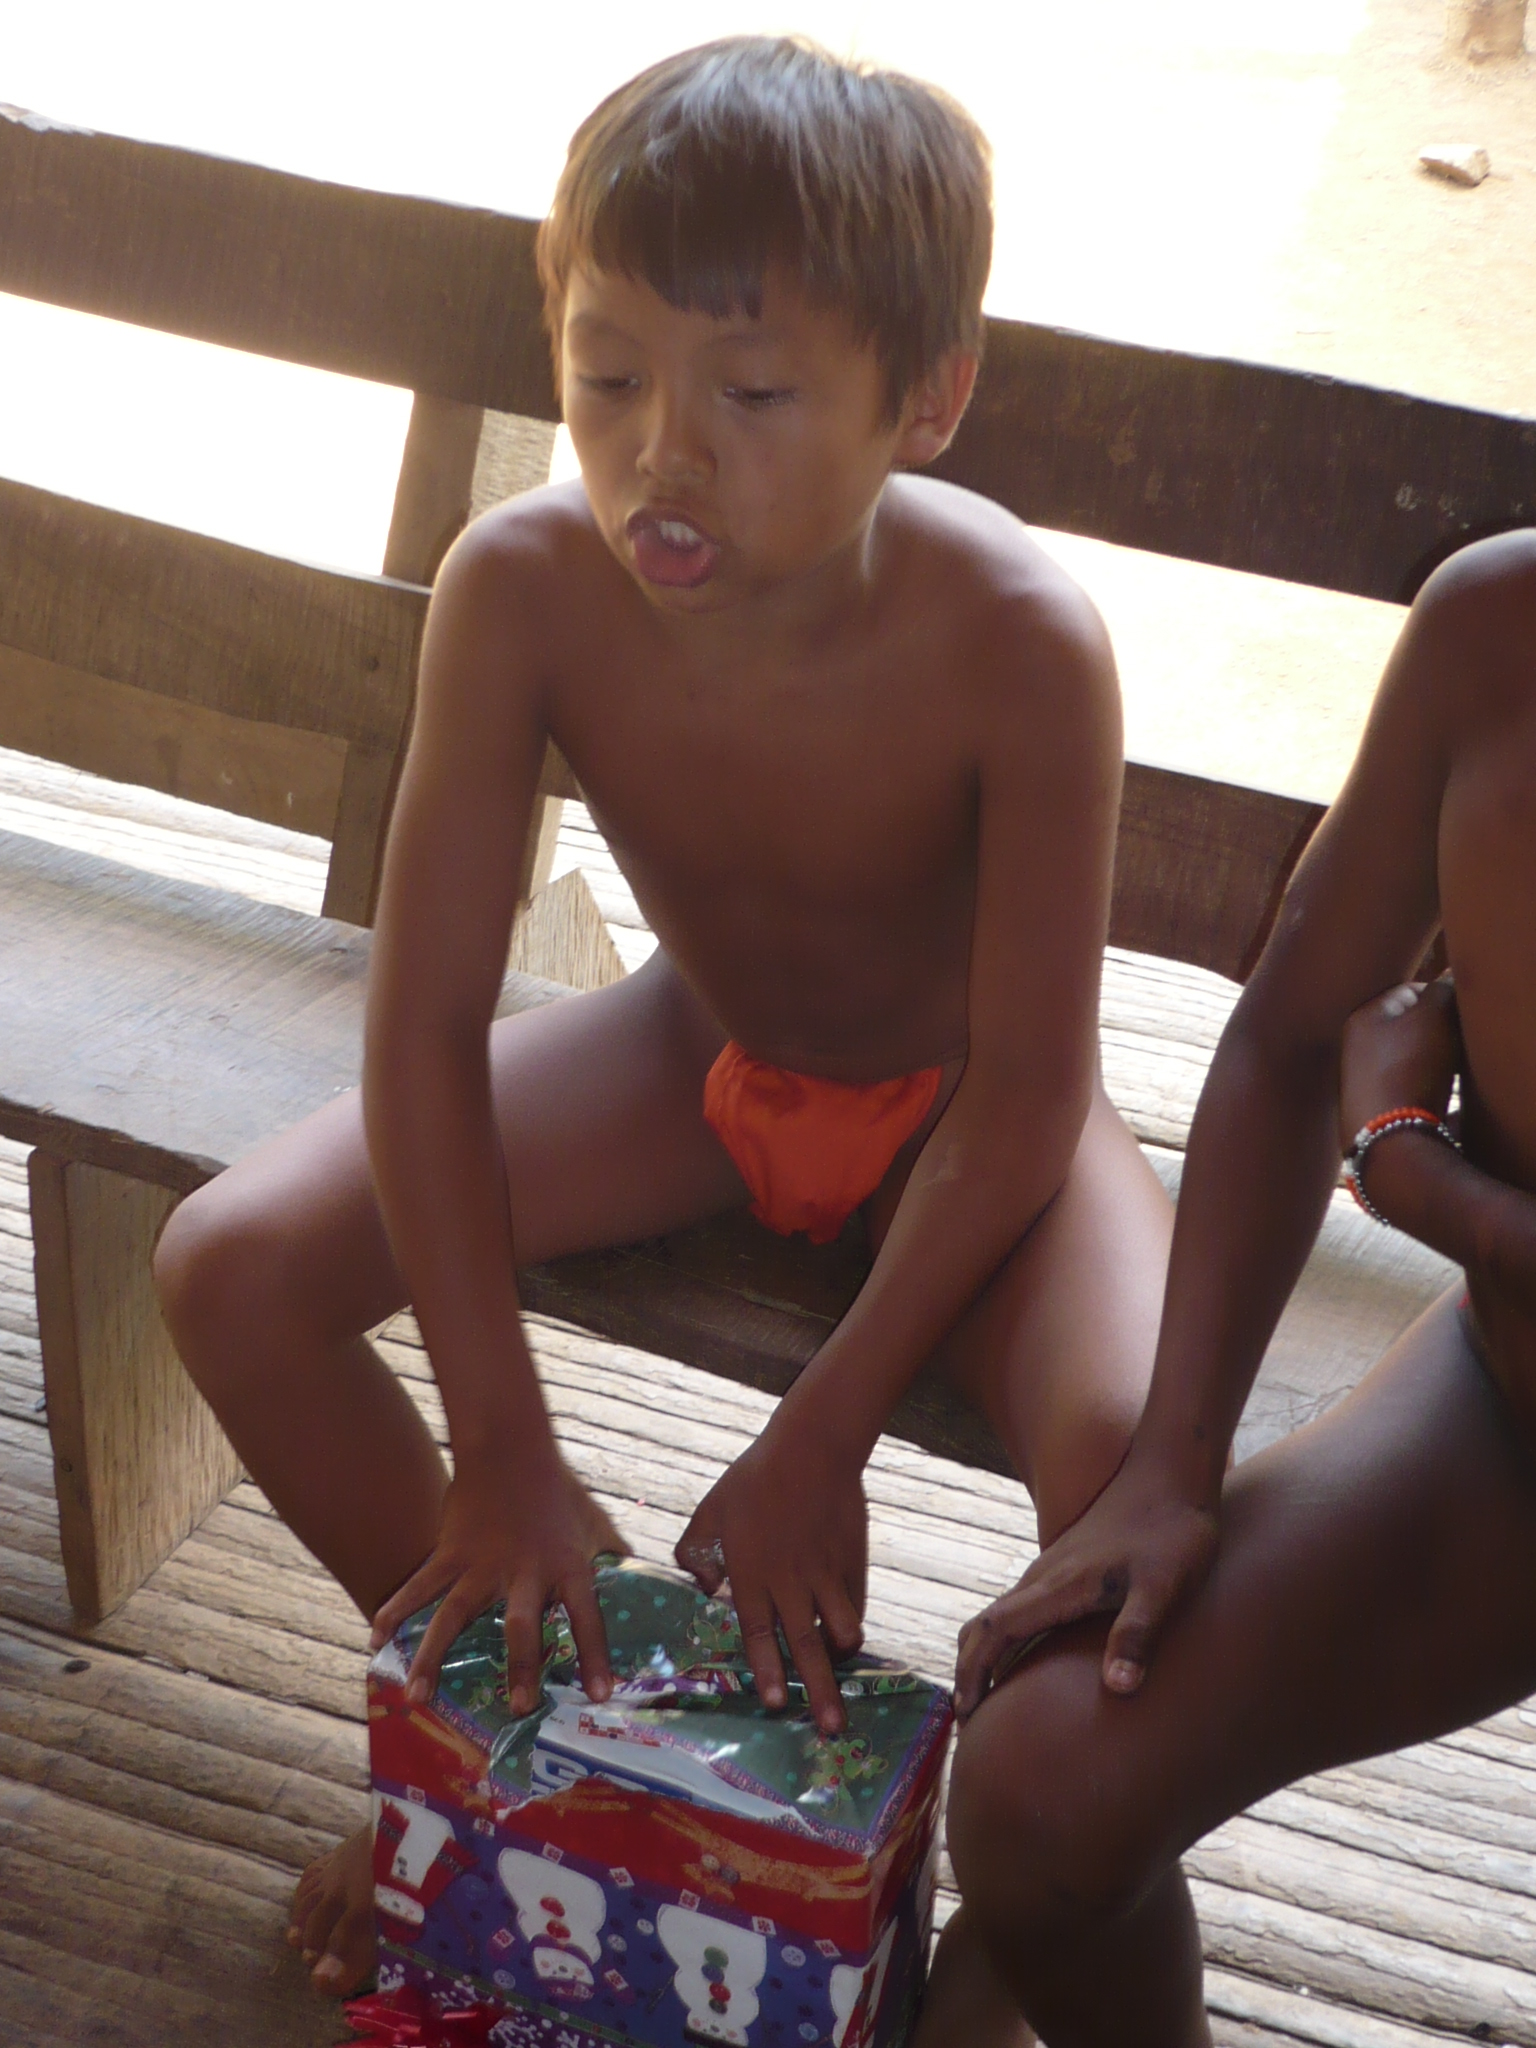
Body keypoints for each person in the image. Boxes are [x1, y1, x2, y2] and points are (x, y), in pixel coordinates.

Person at [151, 35, 1174, 2001]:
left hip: (979, 1126)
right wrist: (502, 1447)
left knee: (1133, 1456)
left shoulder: (1024, 644)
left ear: (927, 397)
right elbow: (425, 1028)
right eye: (607, 378)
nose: (661, 454)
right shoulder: (523, 586)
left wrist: (823, 1430)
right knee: (235, 1268)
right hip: (699, 1060)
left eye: (753, 393)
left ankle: (995, 1939)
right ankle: (534, 1773)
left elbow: (1039, 1087)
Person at [930, 528, 1536, 2047]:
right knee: (1041, 1788)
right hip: (1514, 1419)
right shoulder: (1497, 625)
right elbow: (1290, 1034)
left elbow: (1365, 1105)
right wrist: (1170, 1467)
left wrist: (1422, 1179)